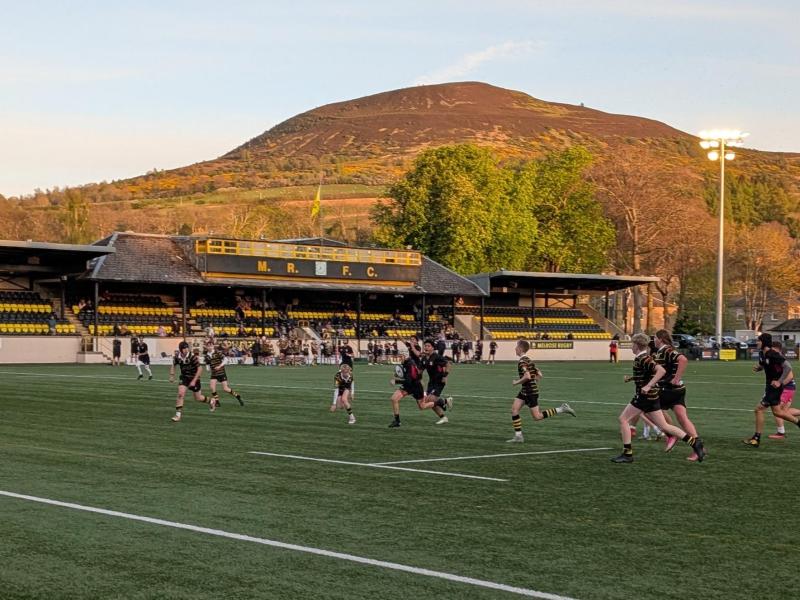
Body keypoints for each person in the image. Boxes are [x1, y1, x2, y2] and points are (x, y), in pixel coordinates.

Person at [611, 333, 705, 463]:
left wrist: (648, 386)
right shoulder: (643, 358)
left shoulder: (643, 358)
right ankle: (695, 443)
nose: (631, 347)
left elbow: (661, 370)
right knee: (664, 426)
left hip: (644, 397)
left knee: (623, 419)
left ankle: (627, 454)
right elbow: (648, 374)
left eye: (633, 344)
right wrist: (632, 379)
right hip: (651, 396)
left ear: (637, 346)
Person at [507, 339, 576, 442]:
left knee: (537, 416)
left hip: (530, 392)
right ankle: (518, 436)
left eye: (516, 347)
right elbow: (540, 374)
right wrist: (534, 382)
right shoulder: (529, 360)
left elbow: (527, 376)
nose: (515, 349)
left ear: (520, 349)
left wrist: (516, 382)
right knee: (514, 410)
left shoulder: (522, 362)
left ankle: (562, 409)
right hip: (526, 391)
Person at [652, 330, 704, 461]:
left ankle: (671, 434)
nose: (653, 340)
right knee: (682, 418)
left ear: (661, 339)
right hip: (678, 390)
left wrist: (675, 378)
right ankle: (699, 448)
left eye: (655, 338)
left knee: (648, 408)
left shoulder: (666, 350)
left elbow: (683, 359)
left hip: (669, 389)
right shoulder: (661, 351)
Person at [743, 333, 800, 447]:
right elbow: (765, 364)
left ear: (764, 342)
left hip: (774, 388)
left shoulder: (772, 354)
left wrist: (780, 382)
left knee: (758, 409)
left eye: (759, 341)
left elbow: (788, 367)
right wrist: (760, 368)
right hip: (769, 386)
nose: (757, 343)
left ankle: (756, 438)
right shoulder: (762, 353)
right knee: (777, 412)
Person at [169, 341, 215, 422]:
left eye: (187, 348)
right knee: (180, 394)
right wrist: (172, 375)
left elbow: (200, 369)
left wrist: (194, 381)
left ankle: (211, 401)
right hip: (184, 378)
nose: (186, 350)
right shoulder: (177, 357)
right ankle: (178, 415)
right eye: (184, 348)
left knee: (198, 398)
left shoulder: (192, 357)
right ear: (180, 349)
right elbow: (173, 365)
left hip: (194, 378)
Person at [388, 338, 425, 428]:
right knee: (394, 399)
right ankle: (397, 421)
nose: (399, 358)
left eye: (400, 356)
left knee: (422, 406)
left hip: (415, 386)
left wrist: (396, 381)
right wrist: (397, 375)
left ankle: (440, 401)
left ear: (405, 355)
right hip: (409, 385)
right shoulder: (405, 362)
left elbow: (409, 380)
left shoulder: (410, 364)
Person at [420, 339, 453, 425]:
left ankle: (444, 402)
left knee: (430, 400)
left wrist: (445, 376)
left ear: (432, 348)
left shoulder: (436, 356)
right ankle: (443, 416)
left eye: (428, 346)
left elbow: (448, 364)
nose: (426, 347)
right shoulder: (424, 358)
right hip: (431, 382)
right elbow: (420, 370)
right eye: (425, 346)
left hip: (439, 381)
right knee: (429, 402)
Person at [769, 340, 796, 439]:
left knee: (777, 409)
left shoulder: (780, 359)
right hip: (789, 388)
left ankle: (781, 433)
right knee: (784, 412)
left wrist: (780, 384)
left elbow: (790, 376)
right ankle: (781, 432)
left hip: (787, 388)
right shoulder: (775, 358)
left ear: (775, 349)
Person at [204, 341, 244, 407]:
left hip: (221, 373)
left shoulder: (218, 352)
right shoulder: (207, 356)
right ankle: (217, 402)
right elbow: (207, 366)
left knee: (225, 389)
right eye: (208, 346)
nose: (210, 347)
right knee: (212, 387)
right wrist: (208, 369)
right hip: (214, 373)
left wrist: (219, 366)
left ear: (213, 346)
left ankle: (237, 396)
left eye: (211, 345)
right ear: (207, 347)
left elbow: (225, 360)